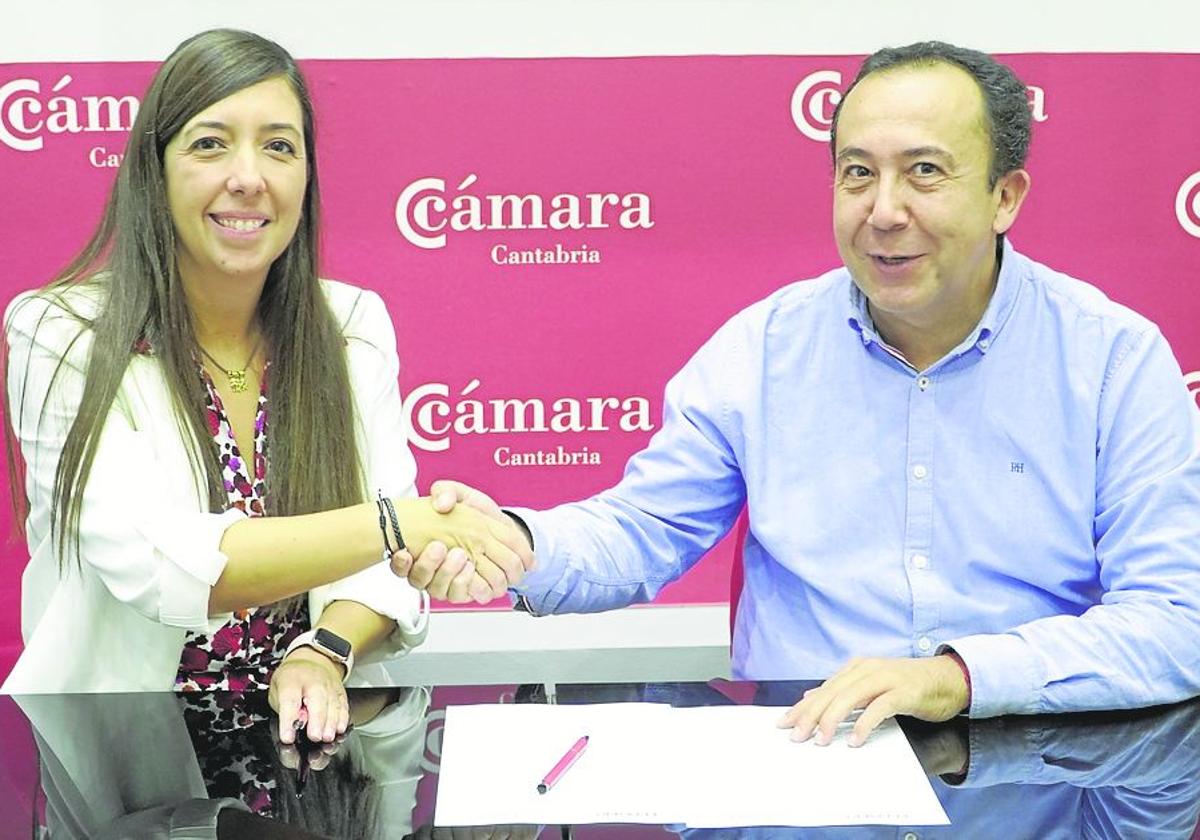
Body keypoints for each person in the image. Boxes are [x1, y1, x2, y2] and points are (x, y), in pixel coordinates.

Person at [401, 42, 1200, 745]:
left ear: (1005, 196)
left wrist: (957, 676)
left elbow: (1176, 623)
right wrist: (516, 544)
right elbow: (644, 529)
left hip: (1039, 765)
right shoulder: (766, 349)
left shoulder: (1112, 361)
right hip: (806, 758)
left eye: (924, 172)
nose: (884, 211)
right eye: (858, 174)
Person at [1, 29, 533, 746]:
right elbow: (159, 567)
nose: (249, 177)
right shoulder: (59, 332)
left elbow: (380, 573)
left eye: (279, 146)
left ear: (307, 176)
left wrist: (325, 649)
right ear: (153, 172)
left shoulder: (351, 324)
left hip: (315, 746)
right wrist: (404, 523)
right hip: (120, 760)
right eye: (210, 143)